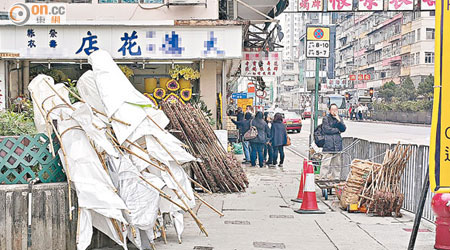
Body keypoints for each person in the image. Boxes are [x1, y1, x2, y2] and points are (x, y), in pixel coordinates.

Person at [319, 103, 346, 180]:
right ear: (329, 110)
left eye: (336, 110)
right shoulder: (326, 119)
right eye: (332, 109)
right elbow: (326, 130)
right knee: (326, 164)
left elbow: (343, 129)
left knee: (337, 164)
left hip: (337, 145)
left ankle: (336, 178)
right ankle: (323, 178)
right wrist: (337, 130)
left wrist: (338, 120)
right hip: (328, 144)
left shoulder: (339, 119)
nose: (334, 111)